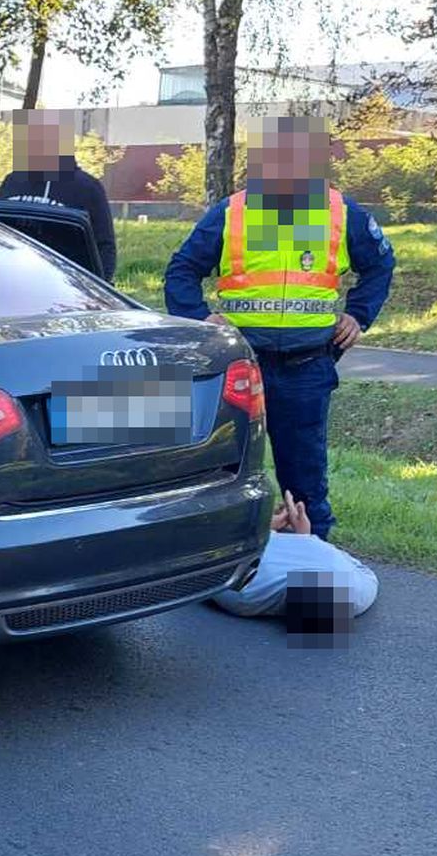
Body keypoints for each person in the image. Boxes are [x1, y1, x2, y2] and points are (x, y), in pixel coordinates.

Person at [163, 114, 396, 539]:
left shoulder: (342, 214)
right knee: (224, 471)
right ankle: (223, 562)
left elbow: (380, 265)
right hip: (239, 367)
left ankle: (312, 564)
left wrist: (359, 315)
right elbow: (181, 271)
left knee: (304, 479)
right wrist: (201, 319)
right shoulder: (234, 211)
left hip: (306, 367)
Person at [211, 490, 378, 634]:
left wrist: (264, 527)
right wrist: (303, 535)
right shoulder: (362, 588)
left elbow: (211, 557)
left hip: (247, 554)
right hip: (297, 544)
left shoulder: (245, 596)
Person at [0, 108, 117, 279]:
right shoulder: (12, 181)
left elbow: (105, 246)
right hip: (12, 278)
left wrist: (98, 290)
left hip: (64, 285)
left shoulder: (86, 187)